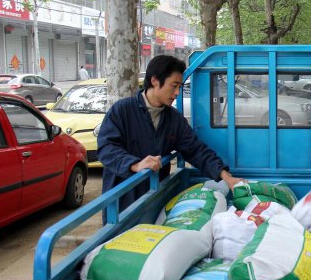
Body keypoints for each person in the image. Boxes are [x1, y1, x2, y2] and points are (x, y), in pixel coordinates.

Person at [97, 55, 244, 222]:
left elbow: (195, 149)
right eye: (174, 86)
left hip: (154, 197)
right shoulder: (122, 111)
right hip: (122, 200)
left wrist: (227, 177)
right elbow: (106, 148)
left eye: (180, 87)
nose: (176, 93)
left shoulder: (173, 119)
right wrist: (135, 164)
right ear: (154, 80)